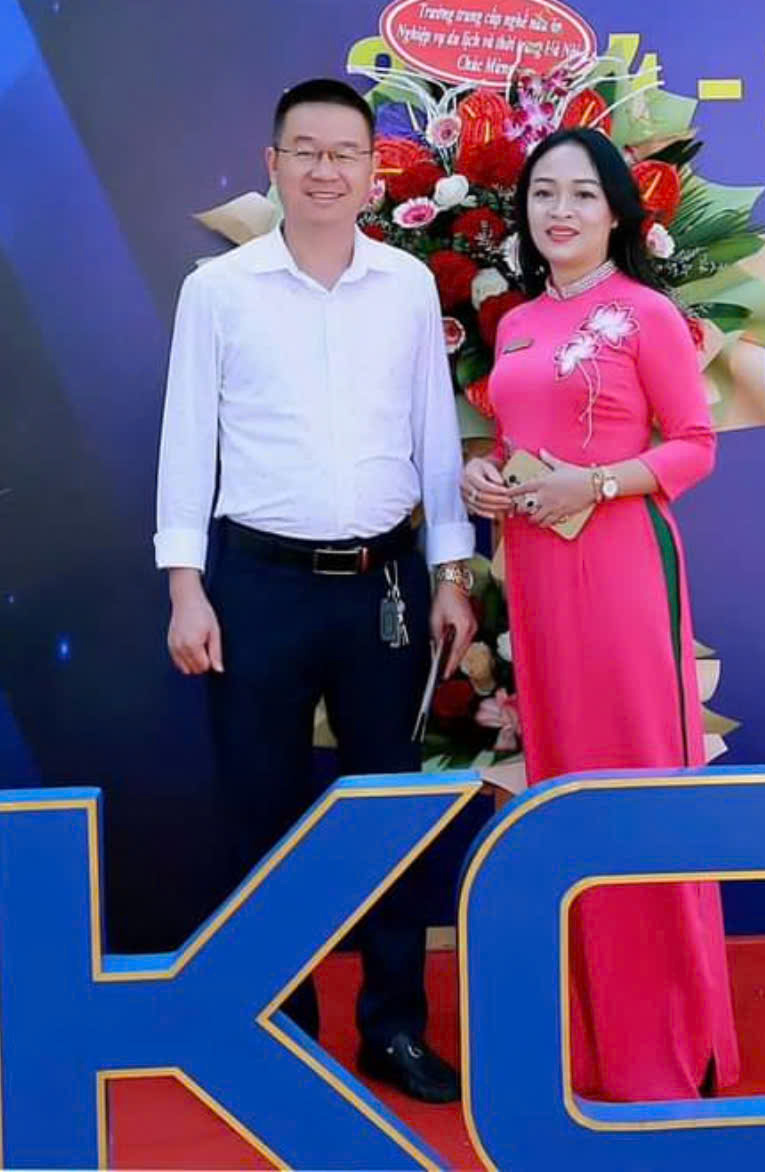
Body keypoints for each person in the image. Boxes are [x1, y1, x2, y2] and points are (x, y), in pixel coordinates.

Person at [154, 77, 479, 1105]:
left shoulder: (406, 285)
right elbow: (185, 441)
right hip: (255, 584)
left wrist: (450, 571)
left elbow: (435, 435)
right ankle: (275, 1029)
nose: (325, 170)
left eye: (345, 153)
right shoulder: (219, 290)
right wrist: (185, 588)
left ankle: (393, 1026)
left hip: (384, 584)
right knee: (262, 811)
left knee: (386, 812)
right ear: (273, 164)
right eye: (306, 151)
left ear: (374, 172)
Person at [459, 125, 742, 1103]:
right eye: (543, 193)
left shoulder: (647, 314)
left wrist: (600, 482)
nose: (561, 210)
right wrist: (484, 477)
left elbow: (695, 444)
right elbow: (514, 439)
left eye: (582, 193)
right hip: (537, 578)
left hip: (619, 569)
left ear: (618, 212)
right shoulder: (516, 323)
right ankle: (591, 1044)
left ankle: (667, 1048)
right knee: (563, 788)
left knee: (637, 782)